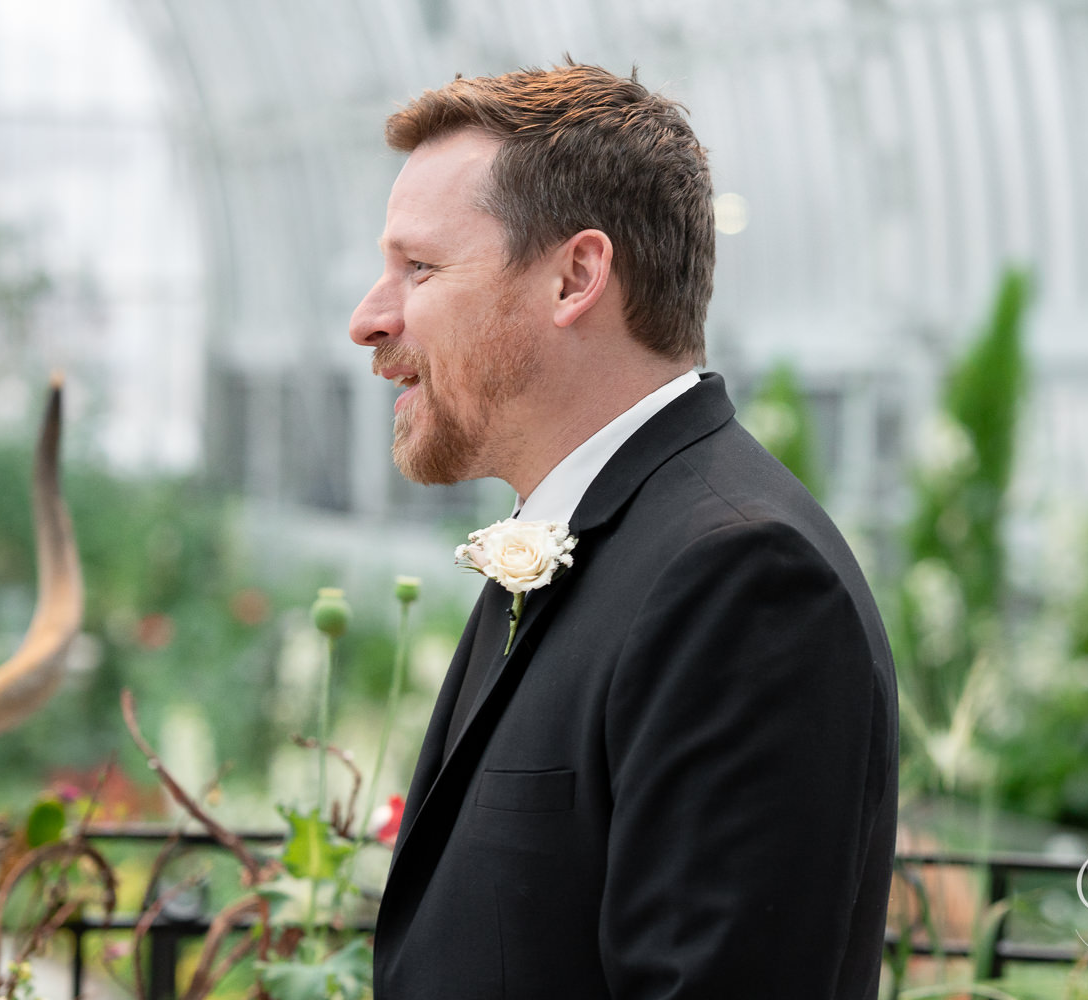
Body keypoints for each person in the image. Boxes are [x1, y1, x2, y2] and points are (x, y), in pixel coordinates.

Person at [349, 61, 897, 1000]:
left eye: (421, 268)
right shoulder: (589, 533)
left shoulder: (742, 579)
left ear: (575, 276)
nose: (370, 318)